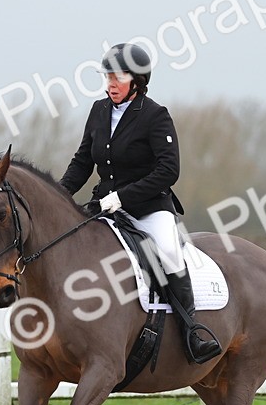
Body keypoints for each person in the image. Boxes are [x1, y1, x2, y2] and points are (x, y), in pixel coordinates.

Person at [59, 42, 222, 364]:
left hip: (148, 207)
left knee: (170, 253)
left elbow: (168, 171)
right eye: (107, 77)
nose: (111, 84)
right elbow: (82, 162)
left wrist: (121, 197)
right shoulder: (99, 110)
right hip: (103, 205)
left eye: (118, 77)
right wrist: (59, 196)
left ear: (138, 80)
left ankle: (193, 330)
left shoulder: (155, 116)